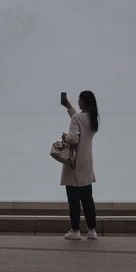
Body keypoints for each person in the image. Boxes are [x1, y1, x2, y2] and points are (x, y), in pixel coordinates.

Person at [60, 90, 99, 240]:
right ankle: (92, 230)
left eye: (79, 100)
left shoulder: (77, 118)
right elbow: (79, 120)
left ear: (84, 101)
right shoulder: (93, 118)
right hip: (87, 162)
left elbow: (73, 139)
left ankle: (75, 230)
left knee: (73, 198)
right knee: (87, 198)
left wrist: (65, 137)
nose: (78, 101)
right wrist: (68, 107)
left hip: (74, 163)